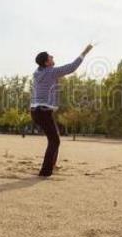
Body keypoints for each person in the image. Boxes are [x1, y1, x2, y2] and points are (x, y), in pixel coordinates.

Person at [30, 44, 93, 177]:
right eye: (50, 57)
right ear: (47, 63)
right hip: (43, 111)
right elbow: (72, 67)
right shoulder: (51, 71)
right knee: (55, 141)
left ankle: (51, 165)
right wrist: (84, 53)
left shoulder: (37, 72)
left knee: (54, 138)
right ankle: (45, 172)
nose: (52, 57)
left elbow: (43, 68)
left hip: (36, 111)